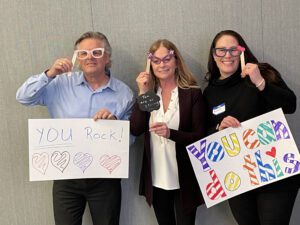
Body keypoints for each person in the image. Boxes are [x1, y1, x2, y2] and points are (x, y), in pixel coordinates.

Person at [16, 31, 134, 225]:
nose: (90, 57)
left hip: (105, 177)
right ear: (77, 58)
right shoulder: (59, 84)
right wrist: (49, 74)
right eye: (83, 53)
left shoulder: (124, 93)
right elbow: (23, 97)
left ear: (107, 57)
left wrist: (115, 129)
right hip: (65, 178)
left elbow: (131, 138)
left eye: (96, 52)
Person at [203, 30, 298, 225]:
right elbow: (204, 133)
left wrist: (260, 83)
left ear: (241, 52)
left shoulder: (260, 72)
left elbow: (291, 105)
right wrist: (218, 128)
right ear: (214, 55)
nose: (227, 55)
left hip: (275, 172)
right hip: (238, 176)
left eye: (233, 50)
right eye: (221, 50)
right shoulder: (210, 92)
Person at [130, 39, 206, 225]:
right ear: (150, 65)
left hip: (184, 178)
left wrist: (171, 133)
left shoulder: (191, 94)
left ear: (176, 62)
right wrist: (142, 91)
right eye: (156, 61)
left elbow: (200, 136)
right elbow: (136, 129)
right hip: (156, 177)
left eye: (166, 59)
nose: (162, 64)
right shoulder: (150, 94)